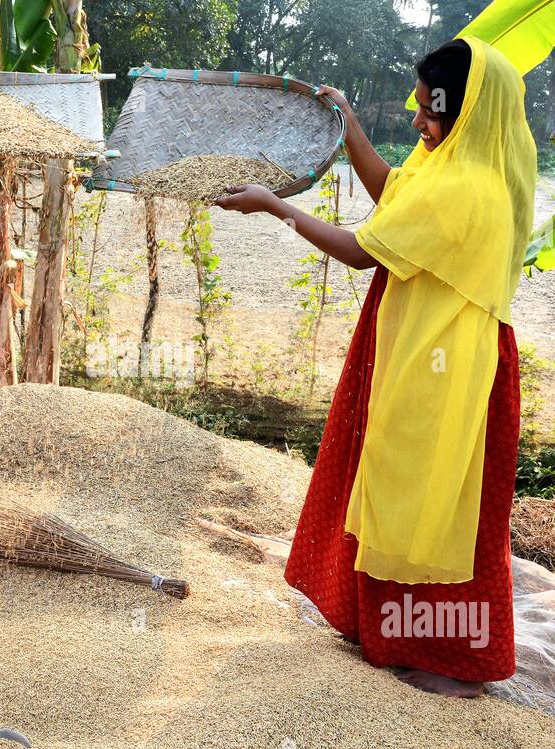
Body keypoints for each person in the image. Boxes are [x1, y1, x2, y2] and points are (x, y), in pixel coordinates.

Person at [215, 38, 536, 697]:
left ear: (468, 110)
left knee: (441, 507)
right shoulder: (446, 159)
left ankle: (456, 663)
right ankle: (386, 631)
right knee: (394, 489)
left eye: (429, 111)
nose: (419, 122)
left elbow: (365, 250)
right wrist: (354, 130)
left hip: (451, 367)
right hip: (411, 343)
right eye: (418, 107)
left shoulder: (469, 185)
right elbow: (395, 192)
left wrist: (278, 208)